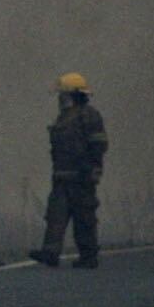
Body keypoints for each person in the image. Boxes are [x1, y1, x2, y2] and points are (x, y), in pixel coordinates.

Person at [29, 72, 109, 269]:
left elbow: (98, 143)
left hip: (82, 176)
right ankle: (50, 252)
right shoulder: (63, 117)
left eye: (62, 95)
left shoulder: (88, 115)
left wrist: (93, 168)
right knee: (55, 215)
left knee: (84, 218)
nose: (60, 99)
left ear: (73, 95)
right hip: (62, 177)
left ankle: (88, 256)